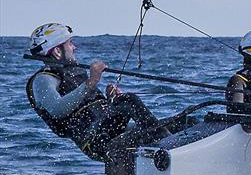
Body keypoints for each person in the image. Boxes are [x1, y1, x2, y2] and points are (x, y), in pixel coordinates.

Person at [26, 23, 164, 161]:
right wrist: (91, 82)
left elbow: (92, 108)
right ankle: (168, 146)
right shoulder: (43, 79)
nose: (74, 47)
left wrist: (110, 100)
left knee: (174, 124)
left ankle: (167, 146)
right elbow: (57, 109)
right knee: (129, 100)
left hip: (111, 130)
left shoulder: (73, 73)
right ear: (57, 51)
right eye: (70, 43)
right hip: (95, 141)